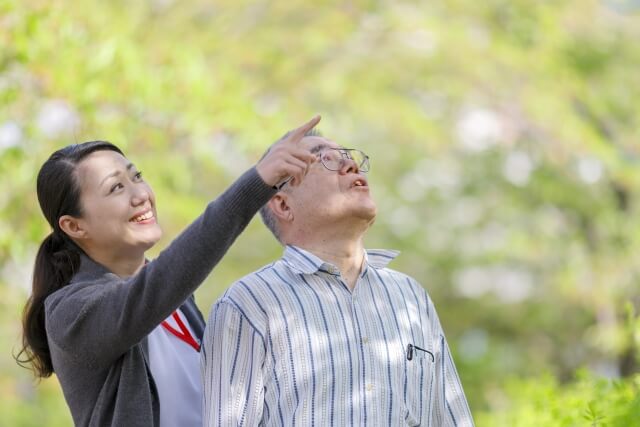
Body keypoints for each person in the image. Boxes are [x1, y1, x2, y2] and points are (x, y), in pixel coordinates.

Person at [15, 115, 320, 427]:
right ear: (74, 226)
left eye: (137, 177)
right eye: (116, 187)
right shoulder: (70, 312)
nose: (141, 195)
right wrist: (258, 181)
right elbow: (160, 282)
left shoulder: (177, 302)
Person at [201, 131, 475, 426]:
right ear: (282, 205)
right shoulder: (248, 304)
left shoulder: (411, 297)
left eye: (351, 158)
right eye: (324, 158)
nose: (350, 165)